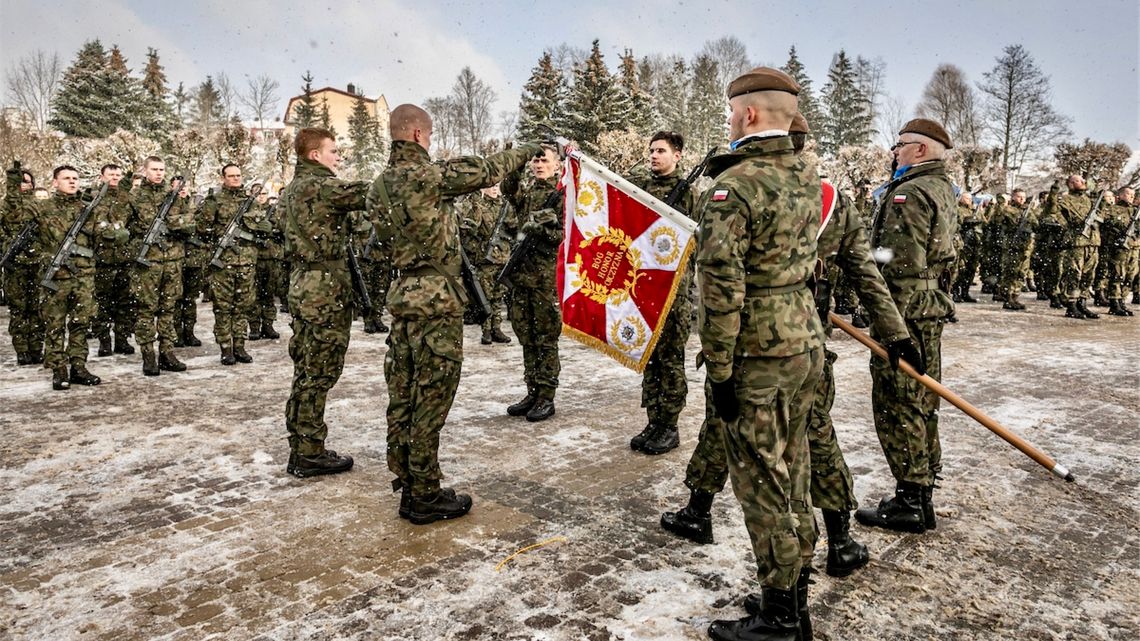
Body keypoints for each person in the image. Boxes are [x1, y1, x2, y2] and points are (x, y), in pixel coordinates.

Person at [696, 67, 825, 641]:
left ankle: (777, 620)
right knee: (794, 464)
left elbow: (722, 289)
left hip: (757, 349)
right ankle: (793, 593)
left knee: (759, 477)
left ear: (748, 114)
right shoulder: (804, 172)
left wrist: (719, 369)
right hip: (802, 337)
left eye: (731, 111)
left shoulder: (737, 185)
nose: (729, 120)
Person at [368, 103, 543, 524]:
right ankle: (424, 495)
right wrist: (527, 150)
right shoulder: (428, 176)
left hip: (404, 295)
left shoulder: (379, 186)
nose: (429, 142)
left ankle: (408, 481)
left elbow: (376, 247)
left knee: (403, 395)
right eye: (428, 135)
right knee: (431, 398)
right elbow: (488, 169)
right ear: (415, 135)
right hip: (436, 301)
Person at [855, 118, 957, 537]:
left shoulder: (910, 193)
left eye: (899, 145)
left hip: (904, 311)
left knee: (899, 403)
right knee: (922, 398)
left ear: (919, 149)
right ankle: (922, 492)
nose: (894, 152)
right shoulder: (942, 188)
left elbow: (895, 262)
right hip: (926, 307)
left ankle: (910, 499)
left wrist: (882, 313)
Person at [281, 128, 370, 478]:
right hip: (324, 290)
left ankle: (303, 446)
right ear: (315, 155)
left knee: (305, 369)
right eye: (333, 150)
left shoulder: (291, 190)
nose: (338, 156)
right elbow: (370, 193)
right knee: (318, 372)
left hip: (304, 284)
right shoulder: (321, 186)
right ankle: (308, 452)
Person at [624, 131, 697, 455]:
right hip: (644, 291)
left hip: (674, 293)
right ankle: (653, 421)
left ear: (677, 156)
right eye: (651, 150)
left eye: (661, 151)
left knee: (670, 361)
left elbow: (698, 240)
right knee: (650, 359)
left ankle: (670, 425)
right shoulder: (641, 190)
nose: (654, 155)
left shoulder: (690, 195)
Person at [34, 166, 117, 390]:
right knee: (55, 324)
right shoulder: (43, 208)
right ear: (54, 182)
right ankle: (58, 369)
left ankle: (78, 366)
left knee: (81, 323)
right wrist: (45, 257)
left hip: (84, 276)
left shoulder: (88, 208)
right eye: (66, 178)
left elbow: (110, 234)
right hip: (57, 277)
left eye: (75, 178)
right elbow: (22, 232)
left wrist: (107, 224)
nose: (72, 182)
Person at [501, 145, 564, 422]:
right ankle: (532, 390)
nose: (539, 164)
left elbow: (567, 235)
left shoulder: (562, 195)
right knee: (526, 336)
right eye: (535, 159)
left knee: (546, 338)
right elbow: (508, 189)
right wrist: (514, 164)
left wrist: (542, 229)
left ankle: (546, 396)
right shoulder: (526, 193)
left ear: (556, 165)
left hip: (545, 278)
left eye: (544, 159)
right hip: (522, 276)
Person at [198, 164, 271, 365]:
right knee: (223, 307)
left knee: (243, 306)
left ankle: (240, 345)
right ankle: (225, 347)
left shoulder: (249, 201)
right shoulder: (215, 200)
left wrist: (260, 226)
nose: (235, 179)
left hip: (247, 261)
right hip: (223, 263)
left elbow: (263, 226)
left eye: (238, 175)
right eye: (231, 176)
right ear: (223, 178)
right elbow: (202, 228)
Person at [128, 156, 194, 376]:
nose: (158, 173)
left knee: (168, 309)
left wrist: (173, 224)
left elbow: (190, 223)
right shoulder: (135, 197)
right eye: (154, 169)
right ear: (145, 171)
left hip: (172, 261)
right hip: (148, 263)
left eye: (162, 169)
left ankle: (167, 352)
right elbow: (124, 230)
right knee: (146, 310)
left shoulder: (174, 196)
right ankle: (148, 355)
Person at [90, 164, 137, 356]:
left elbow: (136, 223)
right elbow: (91, 227)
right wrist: (112, 233)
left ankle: (122, 339)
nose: (115, 178)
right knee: (102, 302)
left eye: (118, 175)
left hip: (125, 258)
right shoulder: (94, 199)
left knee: (125, 302)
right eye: (111, 174)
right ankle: (104, 341)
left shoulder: (127, 198)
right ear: (102, 177)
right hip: (102, 259)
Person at [2, 162, 45, 365]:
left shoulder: (39, 205)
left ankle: (36, 348)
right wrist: (7, 245)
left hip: (36, 262)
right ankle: (22, 349)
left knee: (37, 308)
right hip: (15, 264)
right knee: (19, 309)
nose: (24, 185)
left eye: (28, 182)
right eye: (20, 181)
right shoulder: (6, 204)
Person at [457, 184, 512, 345]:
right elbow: (469, 229)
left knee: (497, 296)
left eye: (496, 186)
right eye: (490, 186)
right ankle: (486, 330)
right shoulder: (477, 205)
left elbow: (514, 227)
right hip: (485, 259)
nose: (494, 189)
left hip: (502, 257)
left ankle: (497, 328)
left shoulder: (505, 206)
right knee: (485, 297)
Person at [1046, 175, 1099, 319]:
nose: (1081, 182)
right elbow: (1051, 209)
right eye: (1077, 181)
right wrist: (1053, 192)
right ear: (1069, 184)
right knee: (1074, 274)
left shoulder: (1089, 199)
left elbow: (1102, 215)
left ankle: (1082, 303)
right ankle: (1071, 304)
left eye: (1082, 181)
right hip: (1076, 242)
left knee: (1089, 274)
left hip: (1092, 242)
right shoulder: (1065, 199)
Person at [248, 187, 284, 340]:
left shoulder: (275, 211)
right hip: (253, 258)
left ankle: (268, 325)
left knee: (269, 294)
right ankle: (254, 327)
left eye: (263, 194)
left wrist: (272, 229)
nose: (260, 197)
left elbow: (284, 231)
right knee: (253, 295)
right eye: (257, 194)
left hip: (271, 257)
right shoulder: (247, 211)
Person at [994, 188, 1037, 311]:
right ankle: (1007, 298)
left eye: (1023, 197)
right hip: (1012, 245)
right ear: (1013, 197)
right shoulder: (1007, 210)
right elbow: (998, 220)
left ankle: (1015, 296)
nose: (1022, 199)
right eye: (1019, 196)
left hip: (1025, 246)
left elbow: (1035, 224)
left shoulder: (1028, 211)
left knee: (1021, 272)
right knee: (1010, 272)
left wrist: (1029, 217)